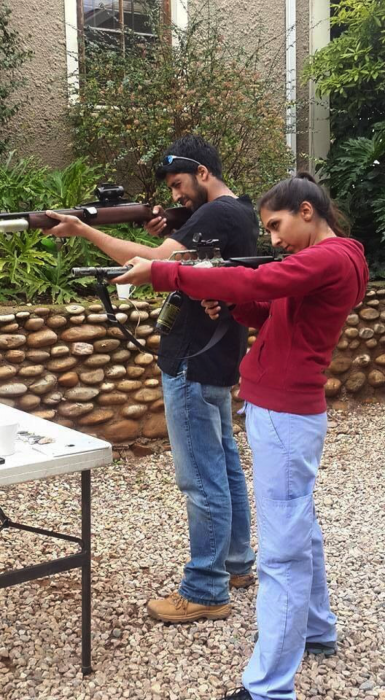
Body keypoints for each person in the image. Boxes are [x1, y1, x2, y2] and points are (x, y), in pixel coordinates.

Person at [116, 172, 369, 699]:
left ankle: (269, 688)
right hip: (282, 406)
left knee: (281, 553)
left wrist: (168, 274)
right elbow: (270, 308)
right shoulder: (329, 260)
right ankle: (318, 630)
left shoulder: (329, 257)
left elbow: (258, 283)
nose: (272, 240)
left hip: (284, 408)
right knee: (300, 525)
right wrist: (228, 304)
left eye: (276, 226)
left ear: (306, 211)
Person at [45, 134, 258, 624]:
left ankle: (205, 590)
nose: (177, 195)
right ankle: (236, 564)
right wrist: (174, 224)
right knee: (223, 467)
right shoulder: (239, 211)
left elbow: (151, 264)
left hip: (191, 358)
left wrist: (85, 230)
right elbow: (179, 254)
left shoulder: (214, 214)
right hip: (217, 355)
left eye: (181, 184)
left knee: (200, 479)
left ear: (203, 173)